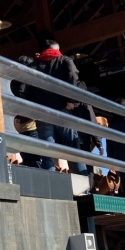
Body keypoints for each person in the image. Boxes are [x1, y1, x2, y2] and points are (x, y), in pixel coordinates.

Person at [30, 39, 87, 175]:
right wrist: (71, 100)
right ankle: (82, 182)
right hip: (63, 109)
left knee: (46, 148)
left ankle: (50, 182)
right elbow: (73, 78)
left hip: (42, 111)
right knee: (73, 146)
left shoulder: (34, 65)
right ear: (56, 49)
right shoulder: (64, 60)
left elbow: (28, 86)